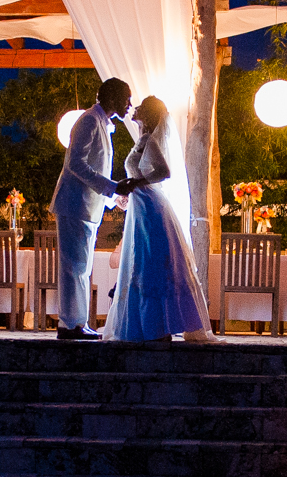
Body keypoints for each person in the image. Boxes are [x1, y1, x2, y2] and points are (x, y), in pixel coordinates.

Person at [104, 95, 218, 343]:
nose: (135, 109)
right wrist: (130, 192)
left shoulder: (149, 140)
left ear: (148, 114)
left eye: (141, 107)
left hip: (150, 208)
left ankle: (158, 327)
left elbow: (164, 172)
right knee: (143, 261)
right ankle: (151, 325)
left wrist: (136, 182)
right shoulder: (143, 140)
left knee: (150, 263)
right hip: (141, 205)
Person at [49, 77, 132, 340]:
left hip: (86, 207)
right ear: (111, 98)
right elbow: (76, 164)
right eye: (125, 98)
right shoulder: (88, 121)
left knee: (80, 268)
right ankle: (70, 325)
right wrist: (113, 188)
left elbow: (94, 169)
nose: (129, 104)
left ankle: (77, 323)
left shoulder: (100, 123)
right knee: (73, 268)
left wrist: (112, 198)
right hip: (75, 205)